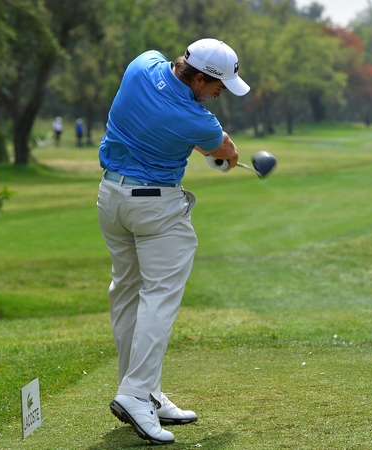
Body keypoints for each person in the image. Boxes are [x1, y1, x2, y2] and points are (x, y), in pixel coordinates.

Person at [96, 38, 249, 445]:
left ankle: (143, 391)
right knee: (159, 296)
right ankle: (134, 393)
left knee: (127, 293)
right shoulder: (200, 120)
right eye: (217, 86)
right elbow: (223, 149)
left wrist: (207, 143)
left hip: (110, 198)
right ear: (199, 77)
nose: (220, 94)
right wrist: (226, 155)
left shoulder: (140, 63)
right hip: (155, 207)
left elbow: (188, 128)